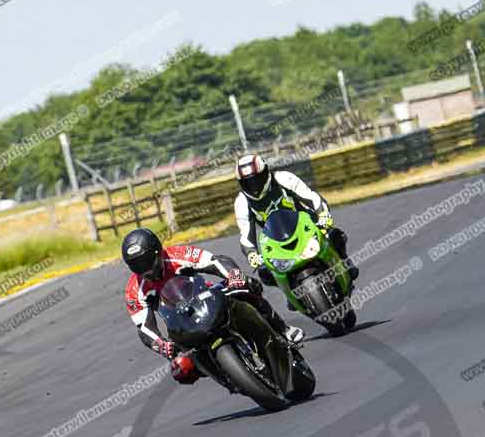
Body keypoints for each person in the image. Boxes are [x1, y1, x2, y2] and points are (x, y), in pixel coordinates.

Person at [122, 228, 304, 385]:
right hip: (180, 322)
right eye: (137, 265)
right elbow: (144, 326)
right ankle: (226, 376)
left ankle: (283, 329)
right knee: (181, 370)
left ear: (158, 252)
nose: (144, 268)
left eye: (146, 261)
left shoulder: (176, 255)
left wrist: (233, 275)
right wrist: (161, 344)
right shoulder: (134, 290)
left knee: (248, 287)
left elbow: (215, 261)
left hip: (208, 298)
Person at [233, 154, 359, 303]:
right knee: (265, 272)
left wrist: (323, 214)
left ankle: (344, 262)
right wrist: (252, 254)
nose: (254, 186)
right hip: (276, 240)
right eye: (248, 183)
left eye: (256, 180)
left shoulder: (283, 179)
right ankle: (289, 290)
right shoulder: (242, 202)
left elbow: (312, 197)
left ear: (265, 173)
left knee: (335, 235)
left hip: (306, 225)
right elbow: (246, 235)